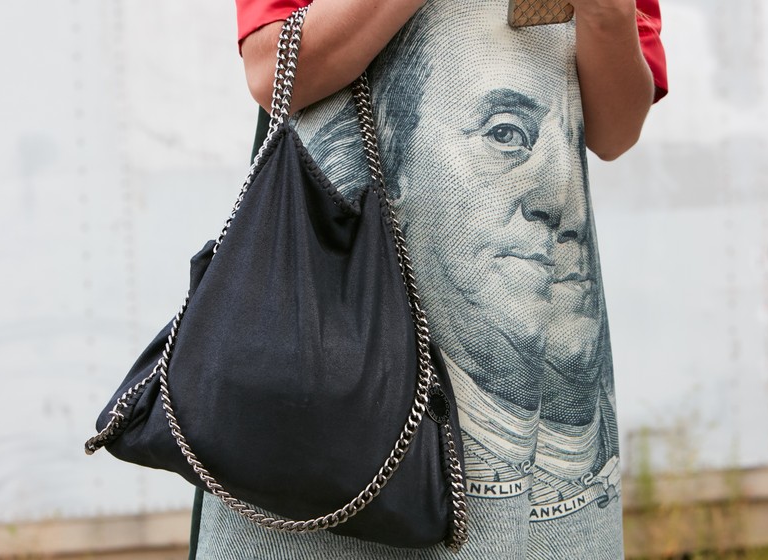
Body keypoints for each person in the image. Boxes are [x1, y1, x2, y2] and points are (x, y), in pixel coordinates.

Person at [191, 0, 668, 558]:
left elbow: (615, 130)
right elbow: (275, 68)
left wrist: (607, 15)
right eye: (505, 134)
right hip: (336, 358)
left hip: (534, 374)